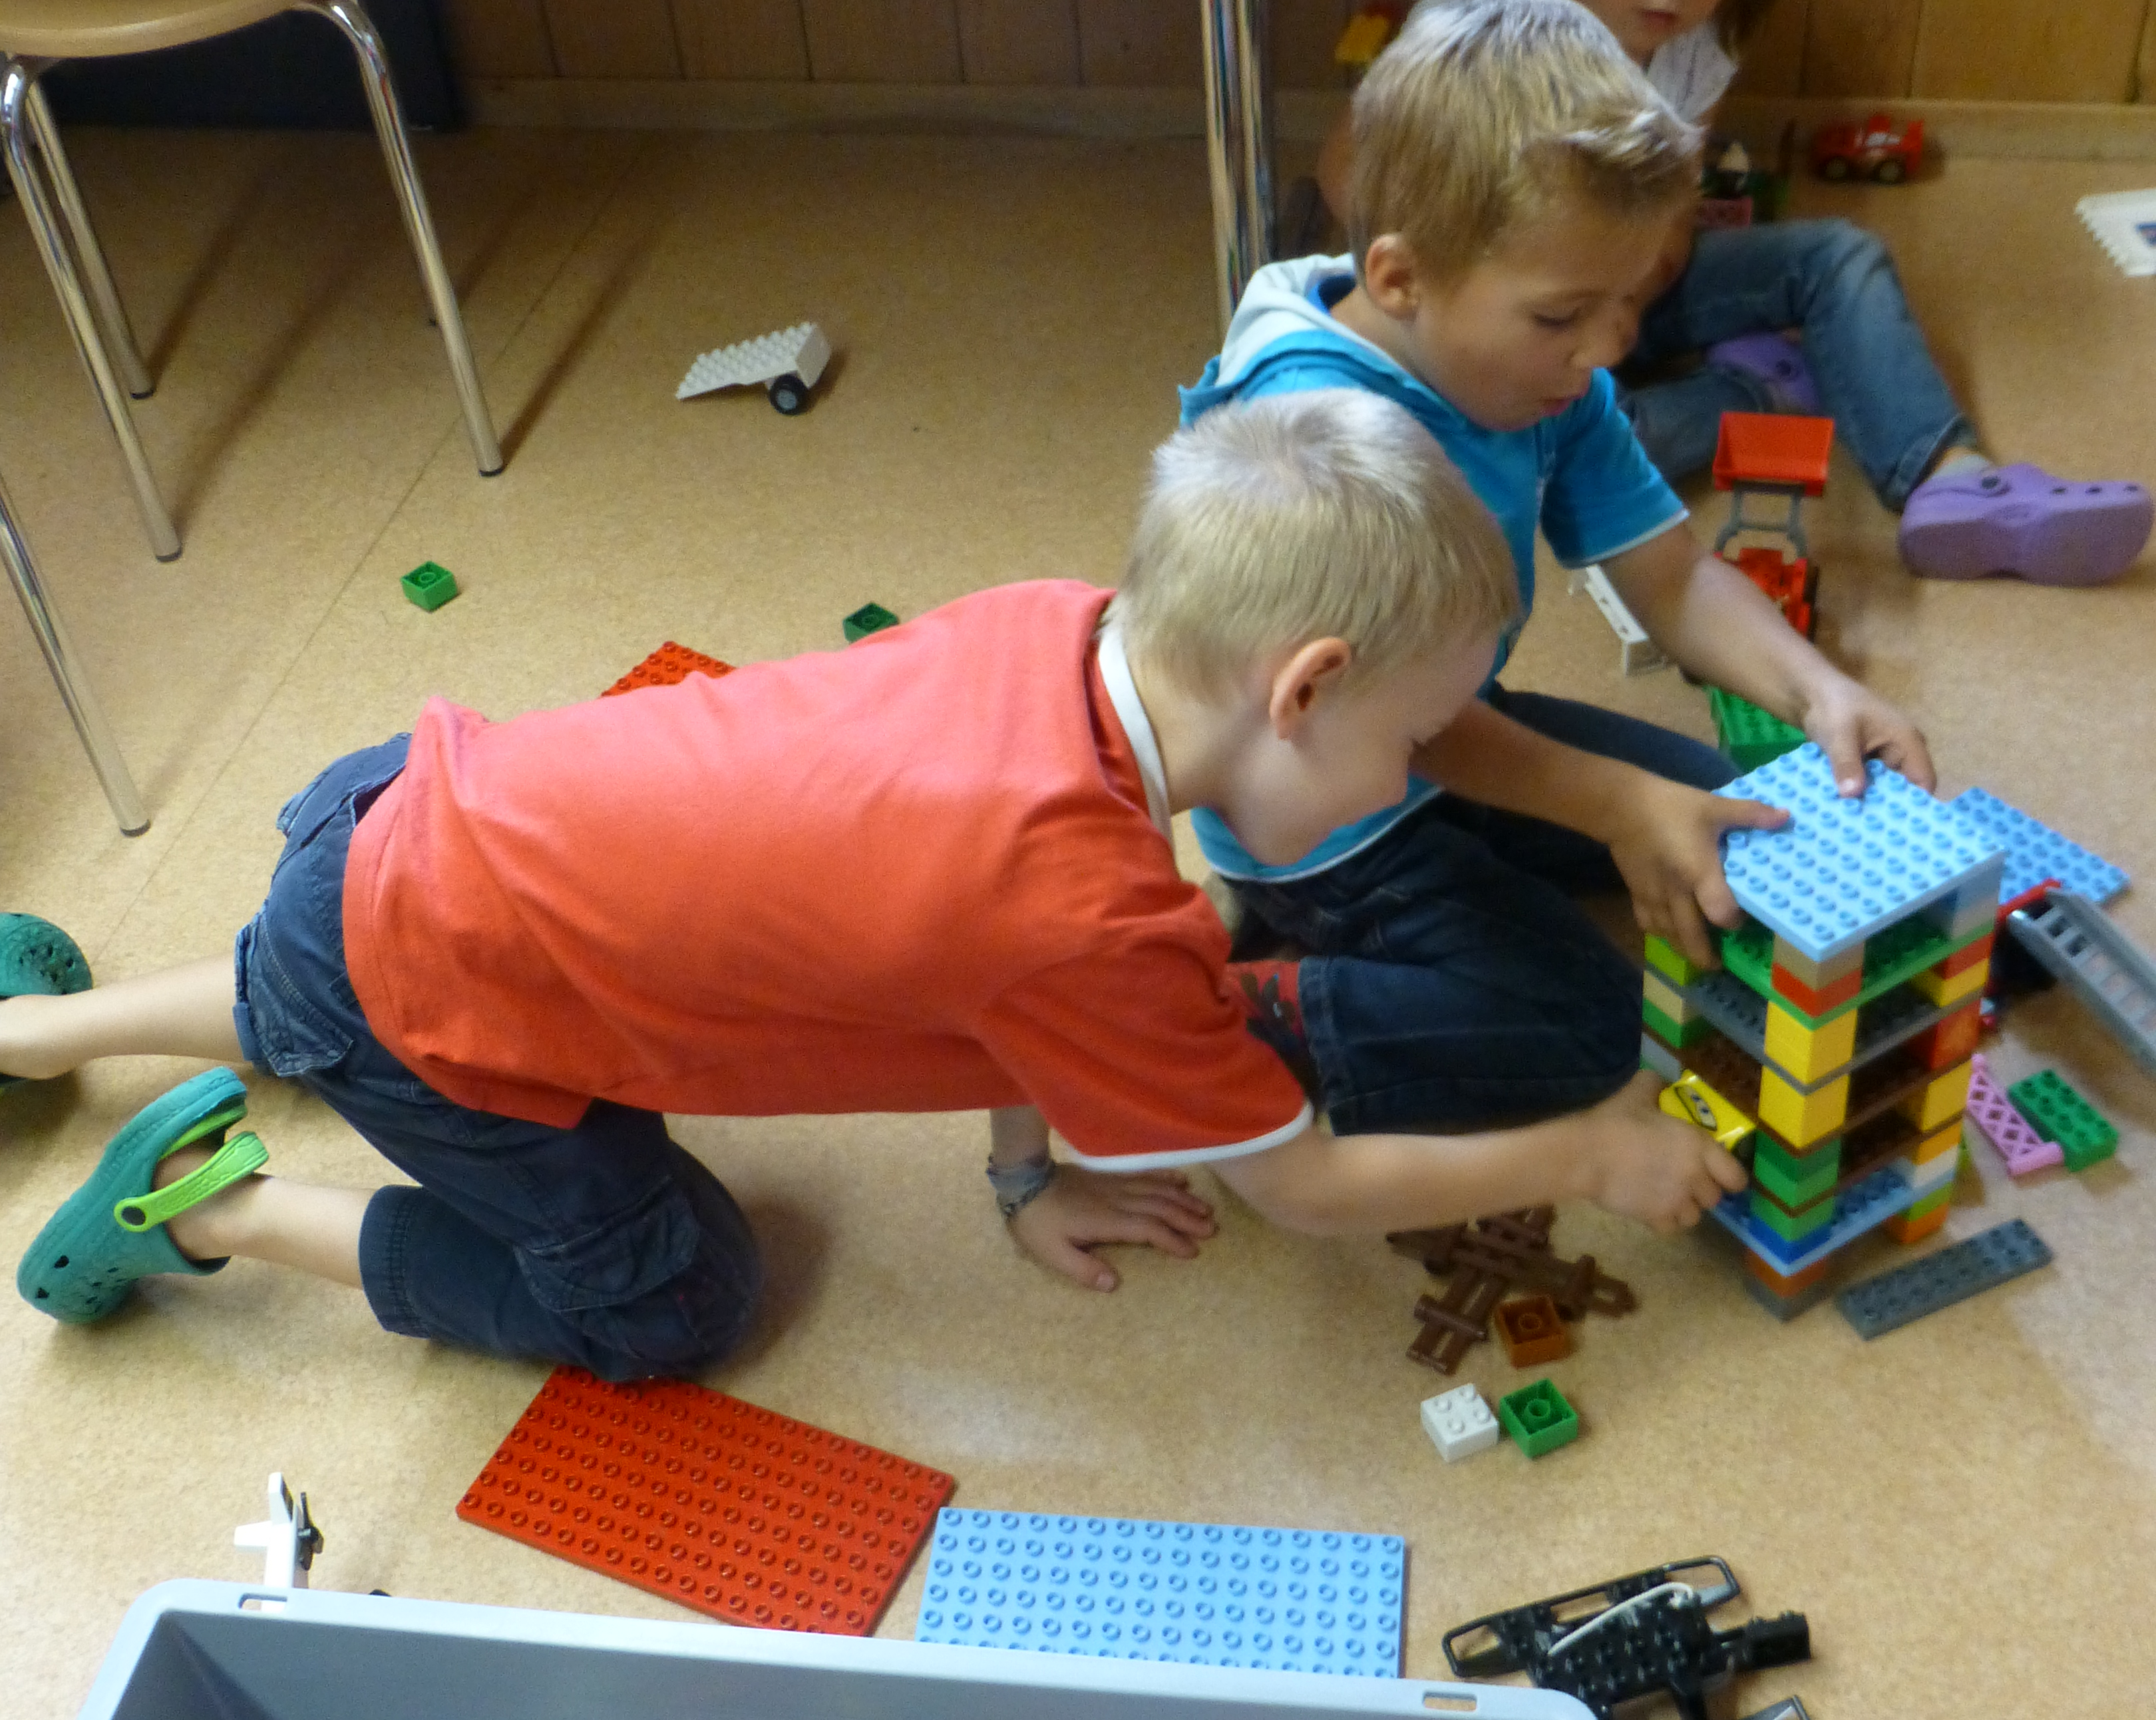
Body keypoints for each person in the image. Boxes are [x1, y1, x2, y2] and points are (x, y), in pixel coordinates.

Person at [0, 393, 1743, 1379]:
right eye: (1417, 736)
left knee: (329, 972)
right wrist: (1592, 1154)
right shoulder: (1098, 919)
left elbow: (975, 960)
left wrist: (1021, 1174)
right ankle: (213, 1216)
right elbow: (1306, 1184)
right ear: (1303, 691)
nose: (1421, 769)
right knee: (682, 1301)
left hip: (399, 825)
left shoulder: (1058, 630)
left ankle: (37, 1031)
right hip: (435, 996)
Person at [1184, 0, 1932, 1137]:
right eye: (1562, 316)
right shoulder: (1320, 439)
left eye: (1627, 304)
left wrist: (1817, 690)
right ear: (1400, 278)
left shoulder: (1549, 378)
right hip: (1328, 815)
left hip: (1451, 728)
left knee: (1737, 817)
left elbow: (1670, 573)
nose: (1603, 352)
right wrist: (1613, 804)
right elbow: (1390, 724)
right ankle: (1259, 1010)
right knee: (1596, 1030)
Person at [1319, 0, 2151, 587]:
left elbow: (1676, 202)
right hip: (1518, 333)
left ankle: (1952, 479)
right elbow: (1346, 170)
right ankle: (1760, 395)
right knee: (1560, 444)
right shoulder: (1471, 26)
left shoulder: (1695, 44)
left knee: (1839, 256)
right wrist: (1482, 301)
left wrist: (1632, 295)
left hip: (1632, 297)